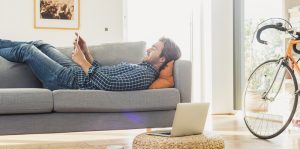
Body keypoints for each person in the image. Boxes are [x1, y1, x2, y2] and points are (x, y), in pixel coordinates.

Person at [0, 34, 181, 91]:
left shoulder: (145, 74)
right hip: (74, 73)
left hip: (67, 81)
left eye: (154, 48)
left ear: (163, 59)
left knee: (27, 50)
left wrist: (82, 62)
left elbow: (109, 84)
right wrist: (85, 54)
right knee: (41, 44)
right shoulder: (142, 67)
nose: (149, 49)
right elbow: (103, 72)